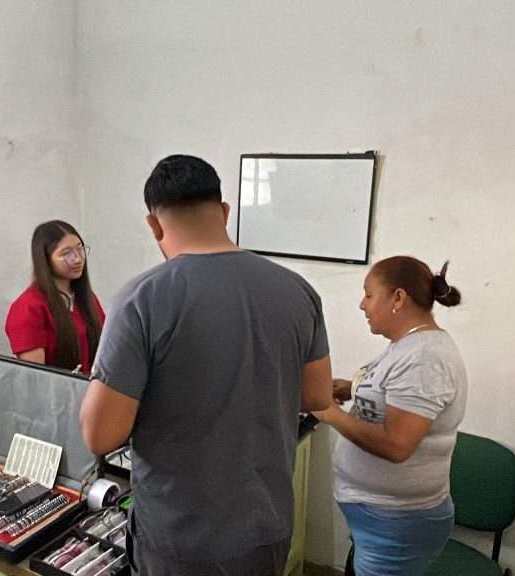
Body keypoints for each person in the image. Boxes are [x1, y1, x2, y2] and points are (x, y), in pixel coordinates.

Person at [78, 155, 333, 576]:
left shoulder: (141, 299)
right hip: (266, 528)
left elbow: (100, 434)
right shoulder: (297, 290)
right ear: (224, 212)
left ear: (154, 226)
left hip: (179, 538)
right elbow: (317, 395)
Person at [314, 256, 467, 576]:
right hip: (383, 518)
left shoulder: (425, 357)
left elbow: (397, 445)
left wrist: (328, 411)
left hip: (396, 521)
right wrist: (354, 389)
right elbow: (395, 392)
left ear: (398, 298)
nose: (362, 304)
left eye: (369, 294)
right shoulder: (411, 345)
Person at [4, 220, 104, 374]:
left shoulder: (87, 298)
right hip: (58, 388)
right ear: (45, 259)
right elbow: (36, 377)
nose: (77, 259)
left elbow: (107, 349)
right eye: (67, 253)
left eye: (80, 249)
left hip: (94, 386)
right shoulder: (28, 307)